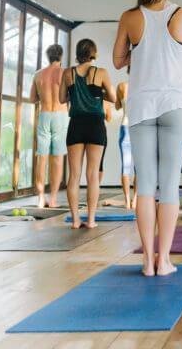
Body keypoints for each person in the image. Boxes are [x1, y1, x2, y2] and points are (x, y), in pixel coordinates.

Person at [112, 0, 182, 276]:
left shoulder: (130, 17)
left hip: (141, 105)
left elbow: (118, 61)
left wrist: (142, 54)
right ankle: (163, 260)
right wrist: (181, 56)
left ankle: (146, 261)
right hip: (175, 106)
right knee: (168, 186)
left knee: (145, 185)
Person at [59, 39, 116, 230]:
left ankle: (76, 220)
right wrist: (98, 93)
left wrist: (75, 93)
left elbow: (61, 99)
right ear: (94, 53)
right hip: (95, 125)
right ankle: (91, 220)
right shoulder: (101, 72)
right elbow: (113, 98)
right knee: (92, 175)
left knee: (74, 175)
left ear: (78, 53)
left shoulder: (68, 73)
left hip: (76, 124)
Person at [30, 44, 68, 209]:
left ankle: (40, 197)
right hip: (60, 116)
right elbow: (69, 96)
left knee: (42, 157)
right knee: (57, 158)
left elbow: (32, 99)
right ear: (61, 56)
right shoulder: (64, 73)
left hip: (44, 115)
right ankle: (52, 198)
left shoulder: (38, 74)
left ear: (48, 56)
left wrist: (44, 93)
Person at [114, 73, 136, 209]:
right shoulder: (143, 86)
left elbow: (117, 106)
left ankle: (127, 201)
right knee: (139, 168)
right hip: (139, 128)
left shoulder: (122, 86)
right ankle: (135, 200)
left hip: (125, 126)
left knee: (125, 167)